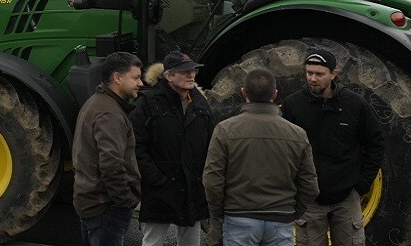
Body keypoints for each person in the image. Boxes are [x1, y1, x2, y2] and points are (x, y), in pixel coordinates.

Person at [203, 68, 318, 246]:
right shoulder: (297, 134)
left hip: (239, 216)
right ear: (275, 94)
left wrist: (219, 212)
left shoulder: (224, 130)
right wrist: (292, 212)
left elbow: (212, 179)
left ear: (243, 93)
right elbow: (310, 185)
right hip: (281, 219)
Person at [282, 49, 384, 246]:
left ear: (333, 74)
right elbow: (283, 149)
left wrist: (361, 185)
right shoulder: (293, 104)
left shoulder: (354, 104)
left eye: (319, 74)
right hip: (309, 201)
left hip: (347, 198)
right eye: (309, 73)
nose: (312, 79)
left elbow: (375, 143)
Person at [130, 51, 215, 246]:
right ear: (168, 76)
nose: (191, 75)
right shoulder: (148, 102)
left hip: (192, 189)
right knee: (153, 242)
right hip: (160, 190)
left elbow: (212, 143)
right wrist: (156, 179)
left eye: (193, 70)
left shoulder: (200, 103)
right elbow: (135, 146)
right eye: (184, 71)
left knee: (191, 243)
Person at [73, 52, 144, 246]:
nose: (141, 83)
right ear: (117, 78)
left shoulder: (97, 102)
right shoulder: (109, 114)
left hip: (92, 202)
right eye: (136, 77)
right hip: (105, 207)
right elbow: (111, 165)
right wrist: (125, 201)